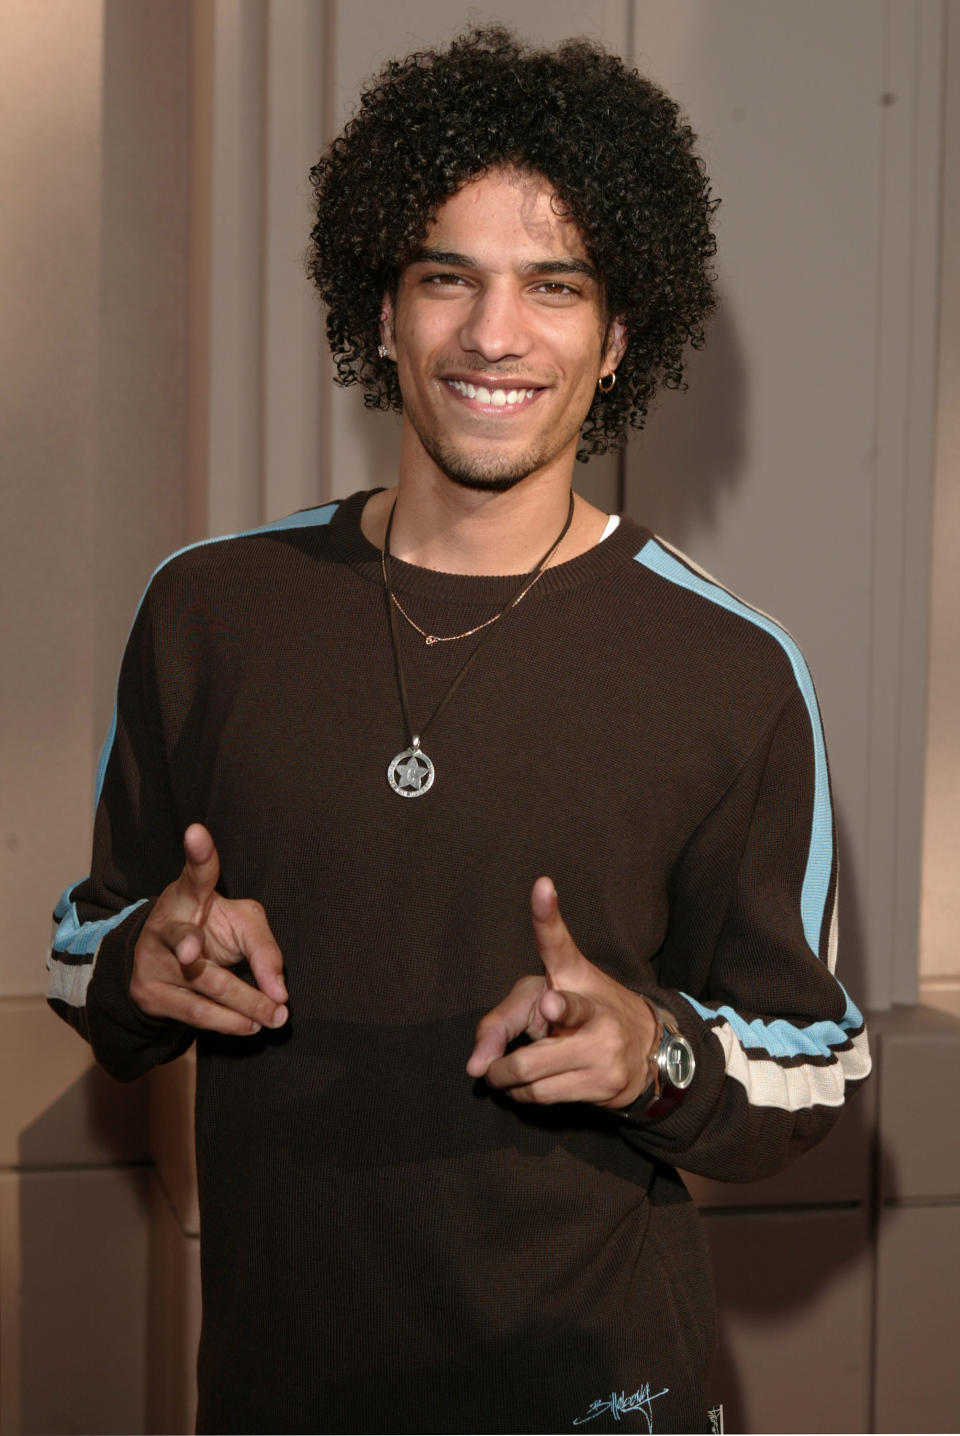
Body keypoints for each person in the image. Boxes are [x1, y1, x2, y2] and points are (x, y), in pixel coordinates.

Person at [47, 26, 870, 1435]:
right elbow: (86, 950)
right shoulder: (209, 611)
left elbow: (821, 1066)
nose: (496, 334)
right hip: (274, 1393)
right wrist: (145, 961)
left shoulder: (732, 670)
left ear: (618, 340)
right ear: (382, 313)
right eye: (449, 278)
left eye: (554, 287)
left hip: (600, 1396)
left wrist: (654, 1053)